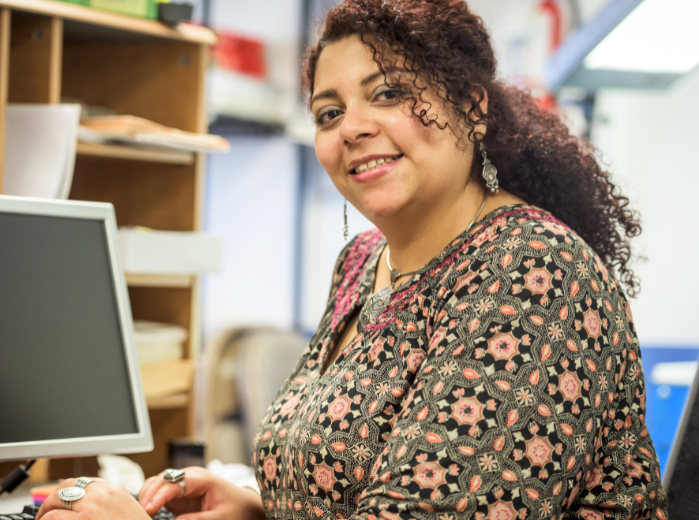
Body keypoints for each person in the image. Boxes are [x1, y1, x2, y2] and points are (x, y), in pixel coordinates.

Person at [36, 0, 668, 519]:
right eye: (329, 112)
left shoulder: (534, 272)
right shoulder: (364, 262)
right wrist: (261, 513)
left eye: (388, 93)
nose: (352, 128)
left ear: (472, 109)